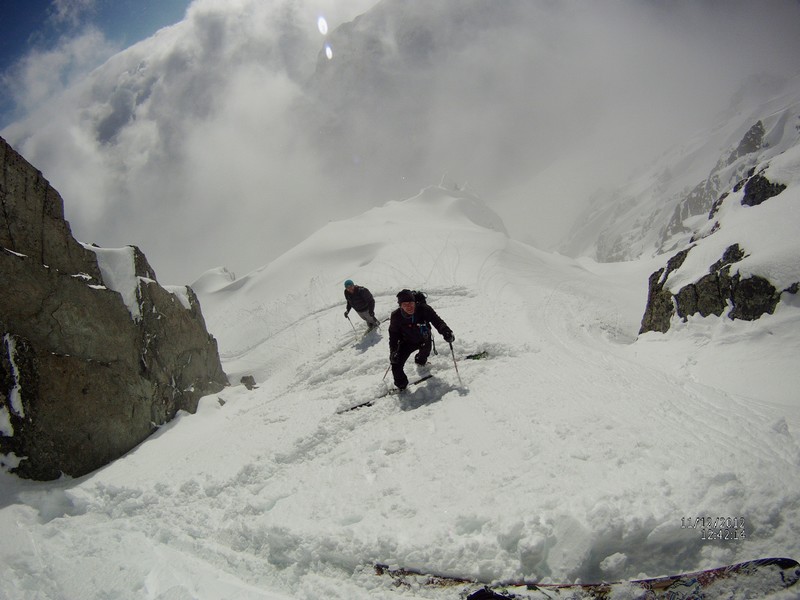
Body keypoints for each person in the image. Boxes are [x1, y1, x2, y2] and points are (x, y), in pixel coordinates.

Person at [388, 289, 454, 390]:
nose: (409, 307)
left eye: (411, 303)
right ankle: (401, 384)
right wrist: (393, 352)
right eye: (405, 304)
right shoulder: (396, 316)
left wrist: (446, 331)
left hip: (424, 338)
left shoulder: (424, 309)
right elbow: (393, 335)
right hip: (406, 342)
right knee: (395, 364)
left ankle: (420, 361)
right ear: (400, 306)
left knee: (423, 356)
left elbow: (437, 321)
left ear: (415, 302)